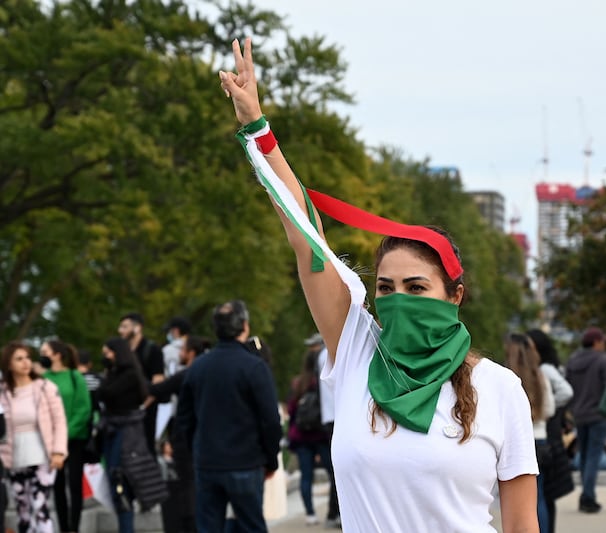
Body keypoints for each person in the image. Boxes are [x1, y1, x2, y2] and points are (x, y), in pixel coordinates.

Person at [219, 37, 540, 531]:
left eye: (416, 288)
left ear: (454, 295)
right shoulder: (356, 354)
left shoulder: (500, 390)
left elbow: (522, 526)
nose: (397, 301)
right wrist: (258, 131)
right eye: (386, 289)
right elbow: (308, 241)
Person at [177, 300, 282, 533]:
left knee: (208, 527)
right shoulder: (254, 367)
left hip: (208, 461)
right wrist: (271, 457)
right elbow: (270, 420)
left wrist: (196, 449)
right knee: (251, 525)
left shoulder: (198, 367)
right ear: (244, 326)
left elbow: (184, 419)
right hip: (246, 461)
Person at [96, 337, 168, 533]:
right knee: (115, 479)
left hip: (126, 432)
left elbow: (106, 393)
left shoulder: (128, 375)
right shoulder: (116, 374)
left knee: (120, 480)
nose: (106, 357)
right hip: (113, 430)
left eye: (108, 353)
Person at [0, 341, 68, 533]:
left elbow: (59, 422)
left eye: (27, 357)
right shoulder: (3, 391)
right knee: (22, 509)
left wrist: (58, 451)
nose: (25, 362)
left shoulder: (45, 387)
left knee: (40, 506)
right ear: (8, 364)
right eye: (19, 359)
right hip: (13, 456)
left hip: (42, 454)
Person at [147, 335, 207, 533]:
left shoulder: (186, 374)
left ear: (191, 352)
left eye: (182, 350)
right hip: (206, 439)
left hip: (186, 440)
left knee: (187, 487)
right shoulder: (208, 373)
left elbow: (157, 389)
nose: (179, 354)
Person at [505, 333, 555, 532]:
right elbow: (550, 408)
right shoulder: (539, 375)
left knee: (517, 503)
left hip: (516, 444)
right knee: (540, 497)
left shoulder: (506, 377)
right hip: (540, 439)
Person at [40, 339, 92, 533]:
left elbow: (83, 408)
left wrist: (64, 434)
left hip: (74, 439)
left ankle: (74, 527)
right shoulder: (42, 378)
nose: (42, 355)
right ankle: (63, 527)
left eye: (45, 351)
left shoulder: (74, 376)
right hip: (51, 443)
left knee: (74, 485)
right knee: (58, 487)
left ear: (57, 354)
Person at [528, 328, 574, 533]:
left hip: (544, 433)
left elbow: (566, 391)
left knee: (541, 496)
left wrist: (547, 407)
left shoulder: (544, 370)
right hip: (547, 435)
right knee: (546, 495)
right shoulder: (546, 368)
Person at [565, 326, 606, 514]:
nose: (604, 345)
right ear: (596, 342)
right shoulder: (603, 360)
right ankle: (588, 496)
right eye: (603, 341)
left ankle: (586, 493)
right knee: (594, 456)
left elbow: (567, 387)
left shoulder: (573, 361)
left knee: (584, 455)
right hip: (598, 414)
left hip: (579, 414)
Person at [287, 347, 336, 526]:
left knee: (306, 476)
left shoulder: (298, 384)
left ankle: (310, 513)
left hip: (301, 437)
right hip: (319, 435)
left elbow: (291, 411)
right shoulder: (321, 381)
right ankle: (332, 513)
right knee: (333, 474)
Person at [118, 312, 165, 454]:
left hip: (145, 409)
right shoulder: (122, 351)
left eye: (124, 326)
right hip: (124, 409)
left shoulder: (152, 349)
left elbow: (158, 381)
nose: (120, 330)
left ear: (137, 328)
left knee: (146, 448)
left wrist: (143, 406)